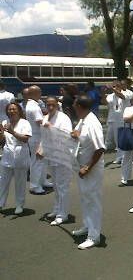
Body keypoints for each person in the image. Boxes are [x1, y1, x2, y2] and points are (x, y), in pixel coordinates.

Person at [71, 95, 105, 250]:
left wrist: (88, 167)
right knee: (85, 199)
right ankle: (87, 226)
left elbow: (100, 148)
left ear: (80, 107)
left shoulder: (92, 123)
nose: (73, 108)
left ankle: (94, 236)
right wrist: (75, 135)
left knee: (92, 201)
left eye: (74, 105)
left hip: (91, 169)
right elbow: (79, 135)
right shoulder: (83, 120)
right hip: (82, 167)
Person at [37, 96, 73, 226]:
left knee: (63, 186)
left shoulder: (64, 118)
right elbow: (44, 136)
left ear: (57, 105)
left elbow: (68, 136)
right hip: (51, 156)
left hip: (62, 156)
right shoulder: (45, 117)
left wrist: (51, 127)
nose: (51, 107)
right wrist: (41, 148)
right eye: (48, 105)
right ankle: (57, 209)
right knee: (56, 185)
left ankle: (63, 214)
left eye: (53, 105)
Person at [0, 103, 32, 214]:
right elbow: (3, 141)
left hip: (20, 156)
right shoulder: (4, 122)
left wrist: (12, 132)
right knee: (3, 182)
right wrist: (1, 134)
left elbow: (25, 139)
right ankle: (1, 203)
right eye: (9, 109)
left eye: (14, 109)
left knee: (20, 182)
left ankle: (19, 205)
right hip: (7, 156)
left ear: (19, 110)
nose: (11, 111)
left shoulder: (25, 123)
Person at [26, 85, 52, 194]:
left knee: (42, 160)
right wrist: (51, 124)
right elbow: (39, 121)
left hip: (36, 136)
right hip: (37, 136)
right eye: (39, 92)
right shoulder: (34, 106)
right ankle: (35, 185)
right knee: (37, 161)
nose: (40, 94)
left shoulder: (31, 105)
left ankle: (43, 181)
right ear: (34, 93)